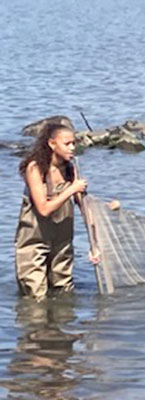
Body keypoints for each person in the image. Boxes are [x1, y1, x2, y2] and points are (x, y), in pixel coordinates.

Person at [14, 123, 88, 299]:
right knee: (35, 296)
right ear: (52, 144)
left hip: (62, 242)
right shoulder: (36, 168)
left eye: (74, 143)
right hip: (34, 241)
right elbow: (43, 209)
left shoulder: (70, 168)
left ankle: (61, 324)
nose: (72, 148)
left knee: (64, 292)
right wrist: (70, 190)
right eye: (67, 143)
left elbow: (83, 206)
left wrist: (95, 247)